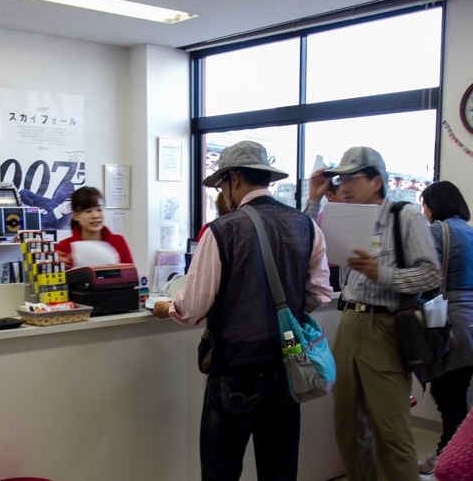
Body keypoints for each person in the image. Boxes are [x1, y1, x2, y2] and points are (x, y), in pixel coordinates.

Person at [153, 141, 333, 481]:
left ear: (234, 178)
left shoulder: (223, 230)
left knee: (221, 471)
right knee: (279, 471)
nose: (223, 193)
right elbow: (320, 293)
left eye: (222, 184)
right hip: (288, 363)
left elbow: (193, 308)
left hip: (235, 368)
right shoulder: (305, 226)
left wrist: (169, 307)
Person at [305, 146, 441, 481]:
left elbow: (431, 274)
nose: (345, 186)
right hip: (349, 322)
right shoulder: (341, 216)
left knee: (390, 429)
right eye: (341, 180)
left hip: (386, 325)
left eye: (353, 178)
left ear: (376, 181)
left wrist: (382, 274)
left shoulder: (404, 215)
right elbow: (300, 241)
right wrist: (314, 199)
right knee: (347, 427)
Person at [416, 181, 473, 474]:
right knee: (459, 393)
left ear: (434, 205)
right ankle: (451, 456)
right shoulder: (470, 232)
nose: (424, 212)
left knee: (449, 398)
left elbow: (424, 277)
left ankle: (446, 460)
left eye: (425, 205)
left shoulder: (438, 231)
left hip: (450, 322)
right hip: (471, 323)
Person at [55, 186, 133, 268]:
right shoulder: (64, 247)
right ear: (75, 215)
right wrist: (56, 266)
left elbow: (132, 273)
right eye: (88, 211)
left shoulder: (118, 241)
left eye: (99, 210)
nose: (95, 215)